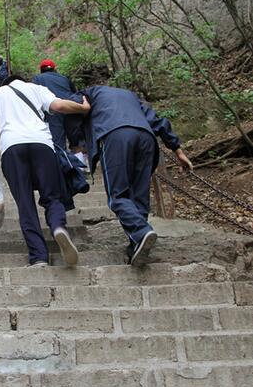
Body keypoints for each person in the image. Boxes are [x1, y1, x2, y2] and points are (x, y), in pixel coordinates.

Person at [0, 74, 91, 268]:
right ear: (25, 80)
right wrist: (83, 108)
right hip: (42, 145)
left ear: (6, 83)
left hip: (11, 148)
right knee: (52, 196)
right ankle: (57, 227)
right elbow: (60, 106)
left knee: (25, 202)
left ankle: (38, 256)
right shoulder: (37, 89)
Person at [75, 85, 193, 266]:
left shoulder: (86, 93)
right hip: (146, 138)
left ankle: (141, 232)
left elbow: (72, 110)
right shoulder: (130, 96)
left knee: (118, 196)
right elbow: (157, 121)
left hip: (114, 134)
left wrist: (77, 143)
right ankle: (137, 245)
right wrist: (177, 150)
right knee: (139, 197)